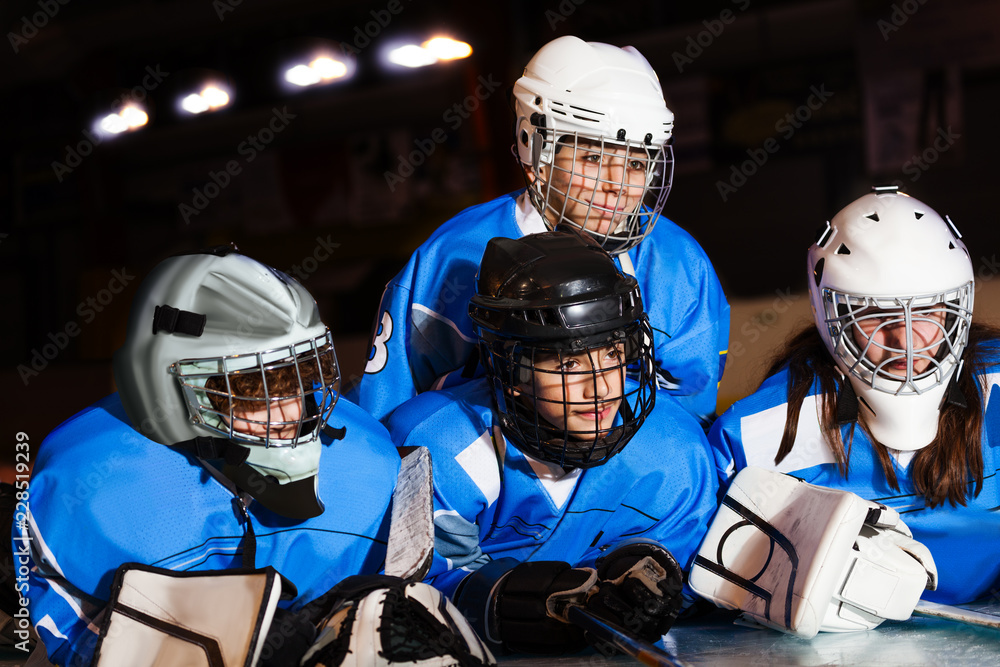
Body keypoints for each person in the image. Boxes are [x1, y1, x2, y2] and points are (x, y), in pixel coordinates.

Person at [14, 248, 490, 666]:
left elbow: (433, 594)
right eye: (250, 386)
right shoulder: (90, 488)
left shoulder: (367, 463)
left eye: (302, 374)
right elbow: (65, 646)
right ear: (168, 388)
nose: (291, 411)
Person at [352, 35, 729, 428]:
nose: (617, 183)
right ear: (537, 154)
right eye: (594, 157)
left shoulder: (679, 262)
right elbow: (394, 413)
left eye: (636, 163)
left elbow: (686, 416)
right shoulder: (455, 255)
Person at [387, 231, 720, 655]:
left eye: (613, 353)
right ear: (514, 369)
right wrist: (505, 601)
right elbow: (408, 593)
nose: (601, 388)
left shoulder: (674, 448)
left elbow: (687, 594)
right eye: (569, 362)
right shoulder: (438, 443)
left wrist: (647, 580)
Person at [708, 186, 1000, 605]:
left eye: (929, 312)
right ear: (830, 315)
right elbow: (718, 591)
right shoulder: (758, 434)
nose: (906, 339)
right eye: (875, 314)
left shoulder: (997, 387)